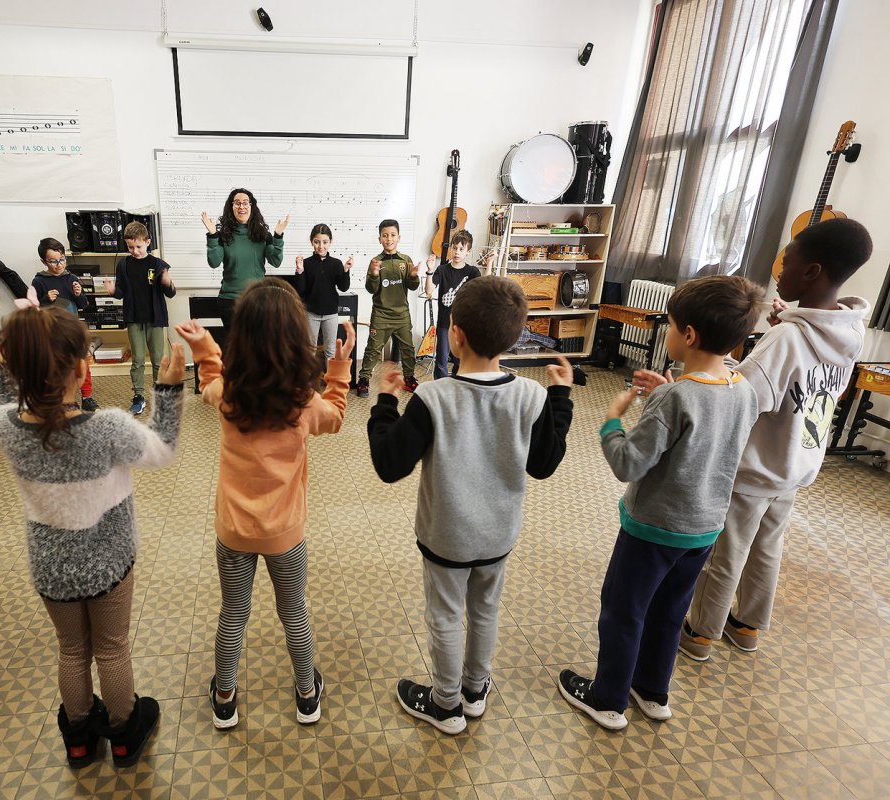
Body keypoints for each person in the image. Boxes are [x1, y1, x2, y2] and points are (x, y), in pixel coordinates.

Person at [0, 306, 185, 768]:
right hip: (110, 562)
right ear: (82, 367)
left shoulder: (3, 428)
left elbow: (1, 408)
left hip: (50, 569)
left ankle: (77, 740)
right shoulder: (107, 428)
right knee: (112, 648)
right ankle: (124, 735)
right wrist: (169, 389)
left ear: (17, 372)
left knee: (71, 650)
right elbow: (162, 450)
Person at [367, 276, 574, 734]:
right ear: (515, 336)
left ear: (454, 335)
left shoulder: (434, 398)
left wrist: (384, 401)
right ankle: (475, 691)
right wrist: (560, 397)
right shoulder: (532, 397)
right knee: (485, 610)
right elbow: (544, 464)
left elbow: (388, 463)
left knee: (445, 615)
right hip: (498, 535)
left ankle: (445, 705)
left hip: (447, 536)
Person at [558, 275, 762, 731]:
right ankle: (653, 691)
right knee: (670, 612)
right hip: (704, 529)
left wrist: (612, 420)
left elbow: (628, 464)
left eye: (670, 324)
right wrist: (668, 389)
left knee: (624, 611)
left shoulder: (674, 398)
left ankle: (608, 699)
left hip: (653, 530)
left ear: (688, 334)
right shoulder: (742, 388)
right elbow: (703, 426)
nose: (668, 331)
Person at [665, 218, 873, 661]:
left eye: (788, 260)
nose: (780, 269)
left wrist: (690, 382)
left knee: (727, 551)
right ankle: (748, 626)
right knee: (767, 548)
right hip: (796, 462)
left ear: (813, 271)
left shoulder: (786, 338)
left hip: (755, 467)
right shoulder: (848, 330)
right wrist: (786, 324)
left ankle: (702, 632)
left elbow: (740, 396)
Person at [173, 279, 354, 730]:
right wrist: (339, 367)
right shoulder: (302, 401)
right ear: (296, 339)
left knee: (233, 612)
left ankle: (225, 697)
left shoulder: (229, 395)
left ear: (242, 338)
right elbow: (335, 418)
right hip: (286, 534)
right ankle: (307, 695)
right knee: (294, 611)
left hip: (233, 531)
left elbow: (210, 380)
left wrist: (204, 348)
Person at [104, 221, 177, 416]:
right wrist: (113, 291)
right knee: (137, 359)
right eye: (130, 247)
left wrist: (168, 283)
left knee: (158, 359)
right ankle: (138, 396)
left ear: (147, 242)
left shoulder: (158, 264)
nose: (135, 251)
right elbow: (120, 292)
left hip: (155, 318)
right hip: (134, 318)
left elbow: (170, 293)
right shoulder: (124, 265)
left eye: (138, 246)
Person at [202, 188, 289, 330]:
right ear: (232, 207)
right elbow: (214, 262)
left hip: (258, 299)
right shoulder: (224, 235)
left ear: (251, 206)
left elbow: (276, 261)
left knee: (257, 347)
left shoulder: (263, 235)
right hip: (230, 301)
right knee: (236, 348)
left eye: (245, 203)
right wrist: (213, 235)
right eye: (237, 203)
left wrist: (278, 236)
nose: (241, 207)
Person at [356, 219, 420, 398]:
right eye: (385, 236)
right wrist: (375, 275)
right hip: (381, 315)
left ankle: (409, 379)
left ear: (399, 237)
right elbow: (371, 289)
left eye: (392, 235)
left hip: (402, 315)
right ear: (379, 239)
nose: (389, 239)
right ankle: (364, 380)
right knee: (372, 350)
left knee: (408, 349)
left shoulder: (406, 260)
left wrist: (414, 276)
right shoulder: (376, 261)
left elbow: (413, 286)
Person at [424, 229, 482, 379]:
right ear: (450, 249)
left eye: (461, 249)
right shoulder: (442, 270)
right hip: (444, 323)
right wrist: (429, 271)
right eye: (454, 248)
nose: (457, 252)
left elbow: (484, 287)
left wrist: (489, 265)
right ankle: (441, 388)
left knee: (460, 360)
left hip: (463, 324)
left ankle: (458, 386)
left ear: (468, 252)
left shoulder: (472, 272)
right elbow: (429, 290)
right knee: (441, 359)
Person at [294, 223, 353, 368]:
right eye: (317, 242)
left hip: (331, 313)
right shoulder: (306, 263)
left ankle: (331, 382)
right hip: (311, 313)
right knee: (309, 350)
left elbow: (343, 287)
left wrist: (345, 270)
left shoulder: (336, 263)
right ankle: (308, 384)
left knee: (330, 350)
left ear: (330, 242)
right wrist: (300, 270)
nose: (321, 246)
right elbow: (300, 291)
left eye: (325, 242)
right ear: (312, 242)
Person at [31, 238, 88, 315]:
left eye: (62, 259)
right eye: (53, 261)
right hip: (50, 325)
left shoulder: (72, 278)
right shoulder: (38, 281)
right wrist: (46, 300)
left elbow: (83, 305)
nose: (59, 265)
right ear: (44, 262)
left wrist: (78, 295)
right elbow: (33, 310)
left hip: (71, 324)